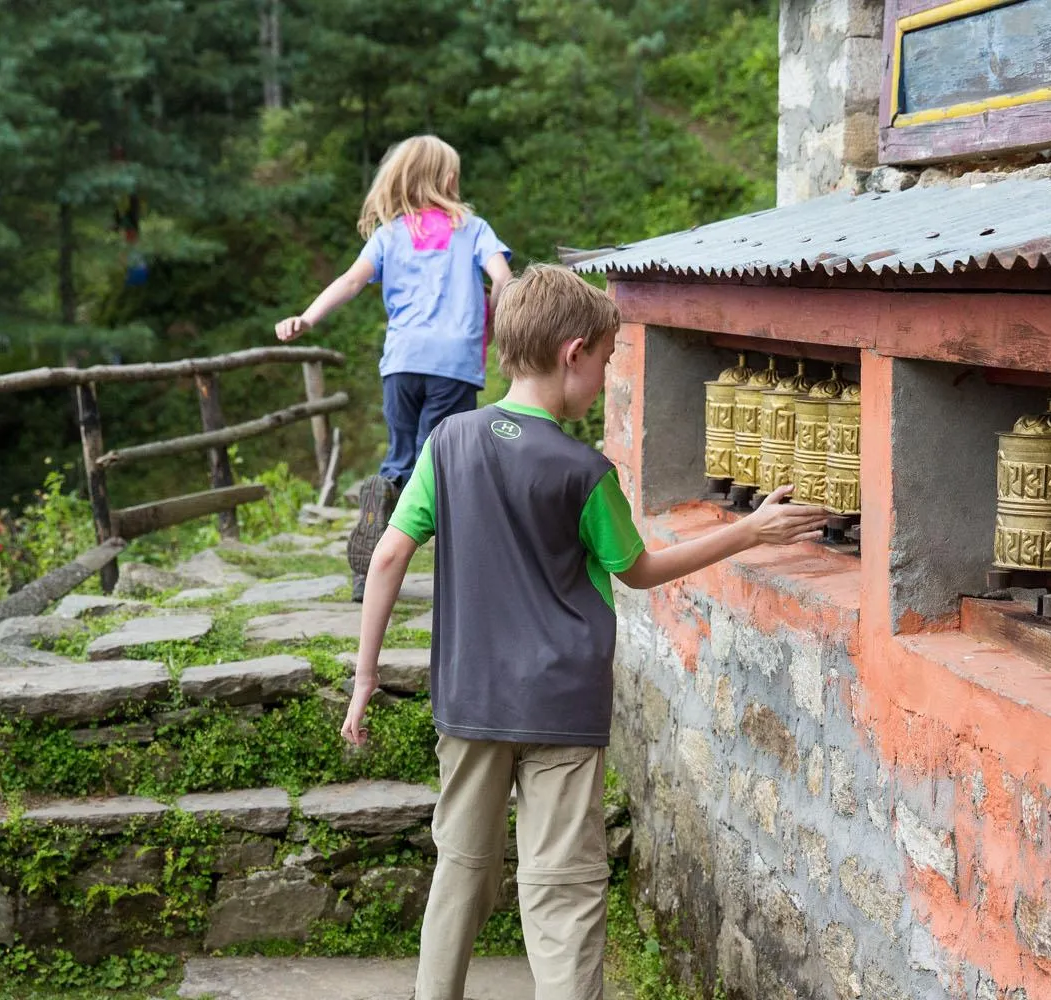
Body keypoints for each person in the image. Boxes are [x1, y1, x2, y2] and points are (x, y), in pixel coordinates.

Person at [340, 264, 828, 1000]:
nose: (603, 380)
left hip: (470, 698)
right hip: (562, 707)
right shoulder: (583, 471)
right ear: (574, 352)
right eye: (604, 362)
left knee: (460, 871)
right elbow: (638, 570)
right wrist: (750, 532)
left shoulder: (448, 442)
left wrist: (365, 677)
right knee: (562, 890)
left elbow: (386, 557)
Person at [273, 134, 513, 601]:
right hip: (454, 365)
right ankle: (459, 574)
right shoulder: (473, 229)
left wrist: (308, 317)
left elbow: (350, 281)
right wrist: (509, 326)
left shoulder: (390, 235)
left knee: (401, 460)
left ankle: (374, 547)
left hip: (401, 363)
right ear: (447, 179)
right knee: (443, 464)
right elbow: (501, 278)